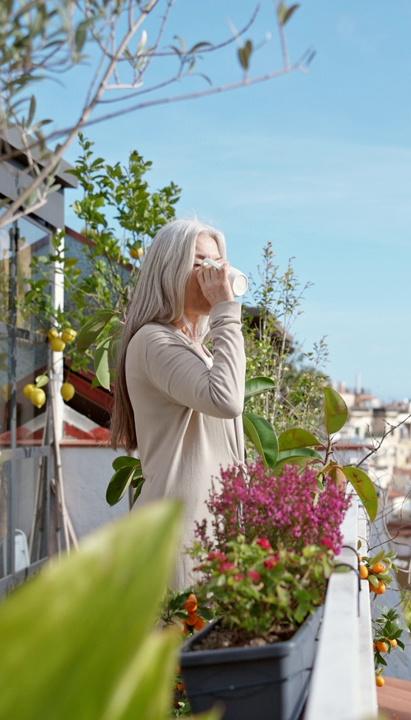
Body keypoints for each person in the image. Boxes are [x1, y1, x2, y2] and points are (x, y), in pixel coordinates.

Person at [110, 218, 245, 589]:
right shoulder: (154, 342)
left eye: (218, 263)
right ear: (170, 269)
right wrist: (226, 311)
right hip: (179, 541)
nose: (215, 274)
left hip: (207, 533)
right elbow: (228, 400)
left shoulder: (193, 347)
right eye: (201, 263)